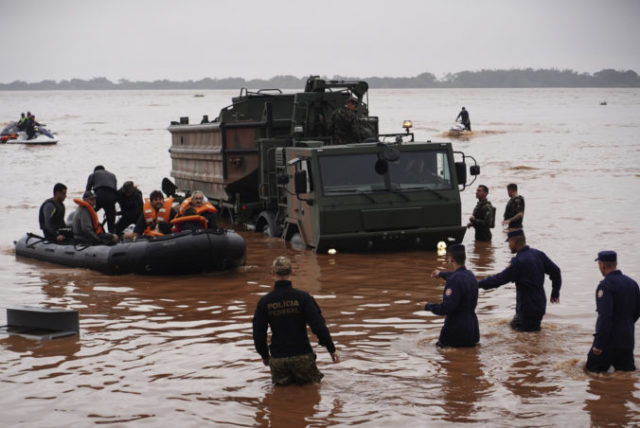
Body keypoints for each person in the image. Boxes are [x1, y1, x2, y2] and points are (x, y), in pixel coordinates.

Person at [252, 256, 339, 385]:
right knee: (312, 395)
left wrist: (264, 356)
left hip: (278, 359)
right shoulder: (303, 298)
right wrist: (331, 349)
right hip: (302, 356)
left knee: (281, 400)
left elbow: (258, 333)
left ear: (272, 273)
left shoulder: (265, 302)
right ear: (291, 272)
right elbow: (318, 326)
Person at [478, 229, 561, 332]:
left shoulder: (518, 262)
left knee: (526, 338)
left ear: (513, 241)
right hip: (539, 303)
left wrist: (477, 284)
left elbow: (499, 280)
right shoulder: (538, 254)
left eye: (509, 242)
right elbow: (556, 271)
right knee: (524, 332)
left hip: (527, 308)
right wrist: (555, 292)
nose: (508, 245)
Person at [586, 251, 640, 373]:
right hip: (627, 339)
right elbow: (637, 311)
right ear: (615, 264)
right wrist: (626, 325)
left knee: (591, 374)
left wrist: (599, 344)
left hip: (608, 341)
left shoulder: (605, 285)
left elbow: (605, 316)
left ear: (602, 265)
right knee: (625, 376)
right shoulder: (632, 283)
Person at [426, 244, 480, 347]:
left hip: (455, 332)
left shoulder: (453, 281)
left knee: (442, 357)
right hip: (473, 330)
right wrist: (441, 274)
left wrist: (427, 306)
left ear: (451, 259)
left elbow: (446, 308)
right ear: (465, 258)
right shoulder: (471, 276)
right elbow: (459, 276)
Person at [85, 165, 118, 233]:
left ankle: (89, 229)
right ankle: (112, 235)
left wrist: (86, 203)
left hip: (100, 195)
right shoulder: (112, 175)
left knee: (90, 212)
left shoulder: (93, 174)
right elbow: (115, 190)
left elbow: (87, 191)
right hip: (111, 197)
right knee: (111, 218)